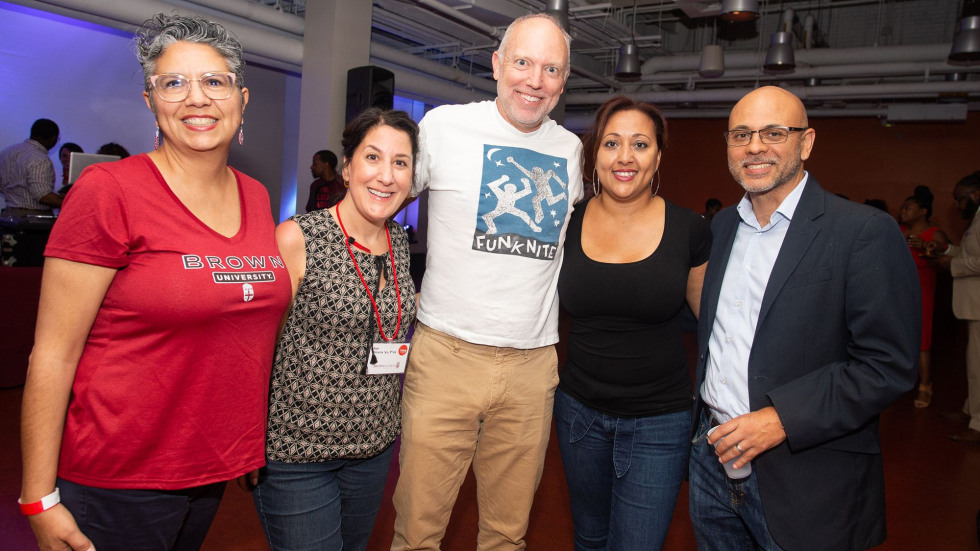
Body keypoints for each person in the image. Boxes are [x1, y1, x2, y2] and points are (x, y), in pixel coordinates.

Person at [18, 13, 291, 551]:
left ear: (241, 98)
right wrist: (37, 498)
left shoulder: (257, 197)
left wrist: (242, 443)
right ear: (150, 101)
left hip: (209, 471)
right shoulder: (108, 190)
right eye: (174, 83)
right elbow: (52, 354)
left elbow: (243, 335)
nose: (197, 99)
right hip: (118, 477)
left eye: (214, 82)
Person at [690, 86, 919, 551]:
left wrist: (782, 419)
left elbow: (888, 365)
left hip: (806, 477)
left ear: (806, 143)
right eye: (741, 135)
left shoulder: (862, 232)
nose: (755, 147)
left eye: (774, 132)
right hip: (713, 464)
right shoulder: (722, 227)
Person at [390, 13, 583, 551]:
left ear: (563, 82)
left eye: (550, 69)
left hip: (531, 367)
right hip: (445, 357)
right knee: (417, 532)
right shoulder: (443, 127)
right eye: (522, 62)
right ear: (497, 64)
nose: (534, 80)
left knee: (506, 536)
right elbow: (381, 200)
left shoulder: (572, 152)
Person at [251, 108, 419, 551]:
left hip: (374, 447)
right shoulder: (297, 237)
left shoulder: (400, 241)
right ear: (347, 168)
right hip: (297, 453)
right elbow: (258, 346)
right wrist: (245, 438)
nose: (386, 176)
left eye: (400, 163)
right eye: (373, 158)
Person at [555, 95, 710, 550]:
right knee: (589, 538)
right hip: (578, 415)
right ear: (594, 155)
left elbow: (715, 324)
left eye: (640, 145)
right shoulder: (566, 222)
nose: (625, 157)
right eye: (611, 143)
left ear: (658, 157)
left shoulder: (689, 230)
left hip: (660, 422)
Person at [931, 170, 980, 444]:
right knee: (973, 363)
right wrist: (948, 250)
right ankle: (970, 410)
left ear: (975, 194)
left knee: (978, 365)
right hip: (973, 304)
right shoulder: (976, 218)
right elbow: (970, 253)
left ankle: (978, 424)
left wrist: (954, 266)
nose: (959, 206)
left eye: (961, 199)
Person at [898, 185, 948, 408]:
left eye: (908, 208)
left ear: (923, 211)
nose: (903, 212)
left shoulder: (933, 233)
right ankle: (898, 383)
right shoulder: (898, 230)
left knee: (922, 340)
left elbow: (943, 252)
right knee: (898, 337)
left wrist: (929, 248)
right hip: (898, 290)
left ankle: (925, 385)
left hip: (922, 290)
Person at [0, 118, 62, 216]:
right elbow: (44, 196)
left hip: (9, 214)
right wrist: (71, 203)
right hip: (33, 218)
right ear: (52, 138)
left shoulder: (7, 153)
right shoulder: (40, 159)